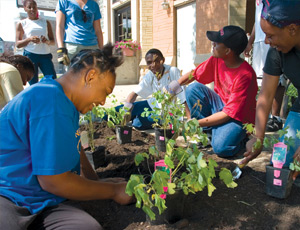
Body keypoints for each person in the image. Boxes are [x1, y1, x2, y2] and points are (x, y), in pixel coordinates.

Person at [0, 44, 134, 230]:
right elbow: (53, 181)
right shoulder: (49, 100)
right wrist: (113, 191)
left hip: (44, 200)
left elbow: (75, 145)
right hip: (9, 196)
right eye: (105, 91)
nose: (103, 101)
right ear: (91, 77)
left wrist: (95, 182)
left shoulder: (62, 100)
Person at [165, 25, 258, 157]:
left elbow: (228, 114)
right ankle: (209, 134)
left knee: (221, 148)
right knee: (193, 89)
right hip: (220, 105)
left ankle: (241, 139)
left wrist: (195, 123)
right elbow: (195, 74)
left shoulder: (245, 75)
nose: (213, 44)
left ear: (227, 51)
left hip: (238, 118)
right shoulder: (217, 59)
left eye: (217, 43)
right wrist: (174, 86)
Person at [241, 0, 300, 172]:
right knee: (282, 162)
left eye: (270, 35)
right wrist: (258, 137)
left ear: (292, 29)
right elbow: (265, 95)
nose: (266, 41)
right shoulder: (277, 51)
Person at [244, 0, 287, 132]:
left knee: (278, 79)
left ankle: (275, 117)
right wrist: (250, 41)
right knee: (263, 78)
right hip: (260, 41)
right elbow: (258, 20)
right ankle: (265, 116)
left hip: (276, 36)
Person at [118, 48, 186, 130]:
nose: (152, 65)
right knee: (120, 109)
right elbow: (135, 93)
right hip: (154, 105)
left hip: (169, 113)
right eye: (149, 63)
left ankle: (135, 117)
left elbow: (183, 98)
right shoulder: (150, 74)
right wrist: (127, 110)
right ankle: (103, 117)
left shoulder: (173, 72)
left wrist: (187, 119)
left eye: (155, 61)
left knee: (138, 123)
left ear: (162, 60)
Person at [15, 0, 56, 85]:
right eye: (29, 7)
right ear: (25, 9)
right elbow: (18, 44)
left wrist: (46, 41)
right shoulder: (22, 23)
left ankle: (51, 97)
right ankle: (35, 98)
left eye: (34, 7)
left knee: (53, 80)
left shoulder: (45, 22)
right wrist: (29, 39)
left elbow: (52, 42)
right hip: (30, 55)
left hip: (45, 55)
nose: (32, 9)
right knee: (33, 83)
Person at [55, 0, 104, 66]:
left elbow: (98, 30)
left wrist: (102, 50)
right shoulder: (64, 2)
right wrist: (60, 48)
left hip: (92, 47)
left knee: (92, 74)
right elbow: (60, 26)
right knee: (72, 75)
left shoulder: (94, 5)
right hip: (72, 47)